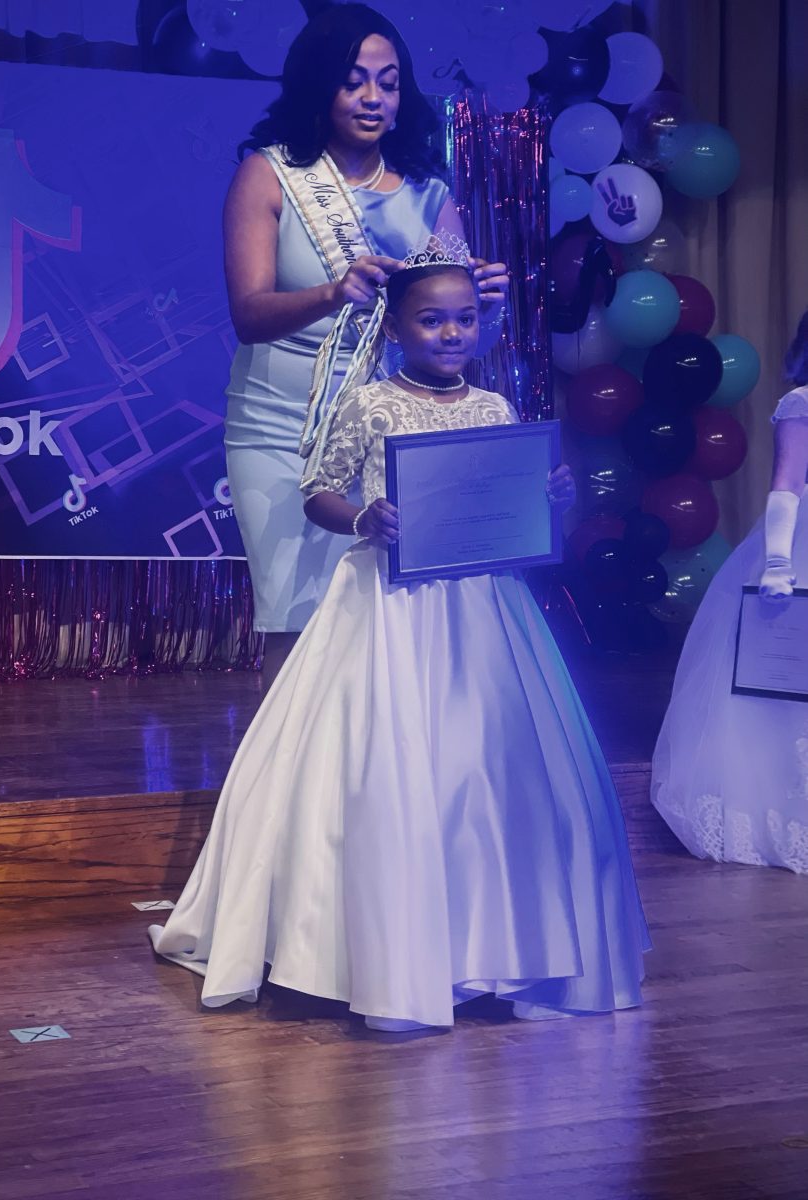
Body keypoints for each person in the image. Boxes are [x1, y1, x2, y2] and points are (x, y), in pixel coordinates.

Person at [150, 258, 650, 1031]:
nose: (451, 333)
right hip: (388, 601)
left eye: (463, 320)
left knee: (486, 766)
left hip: (483, 601)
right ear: (394, 329)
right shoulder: (369, 403)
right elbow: (318, 489)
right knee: (387, 760)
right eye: (430, 320)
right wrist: (363, 518)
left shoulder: (493, 404)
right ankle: (378, 955)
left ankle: (493, 945)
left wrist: (551, 494)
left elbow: (514, 500)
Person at [223, 3, 508, 684]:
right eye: (354, 81)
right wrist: (332, 291)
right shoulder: (270, 175)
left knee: (385, 615)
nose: (373, 98)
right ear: (320, 83)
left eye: (388, 82)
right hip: (278, 426)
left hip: (389, 427)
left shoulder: (428, 194)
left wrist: (487, 306)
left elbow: (456, 333)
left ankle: (377, 779)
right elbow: (249, 314)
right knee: (292, 613)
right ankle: (288, 790)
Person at [651, 311, 808, 874]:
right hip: (799, 547)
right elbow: (788, 484)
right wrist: (779, 562)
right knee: (783, 685)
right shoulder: (803, 403)